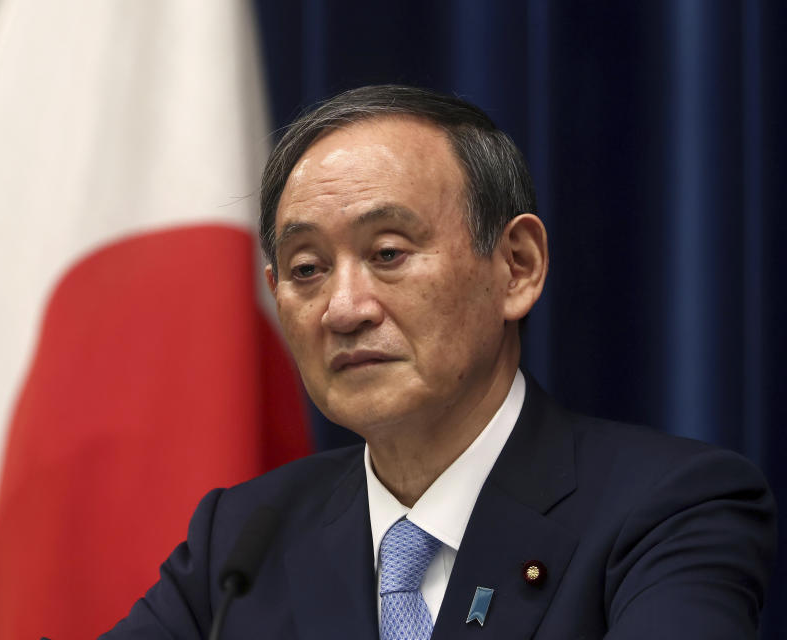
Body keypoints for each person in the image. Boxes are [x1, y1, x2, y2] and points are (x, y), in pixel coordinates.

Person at [101, 86, 775, 639]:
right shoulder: (241, 539)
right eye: (307, 269)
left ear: (517, 267)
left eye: (388, 253)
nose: (344, 309)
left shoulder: (667, 508)